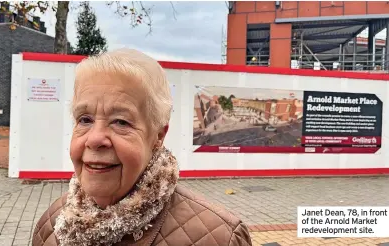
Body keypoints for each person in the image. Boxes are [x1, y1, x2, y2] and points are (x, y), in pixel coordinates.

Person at [32, 48, 252, 246]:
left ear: (157, 136)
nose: (94, 139)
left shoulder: (221, 237)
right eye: (85, 119)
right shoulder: (51, 226)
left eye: (120, 122)